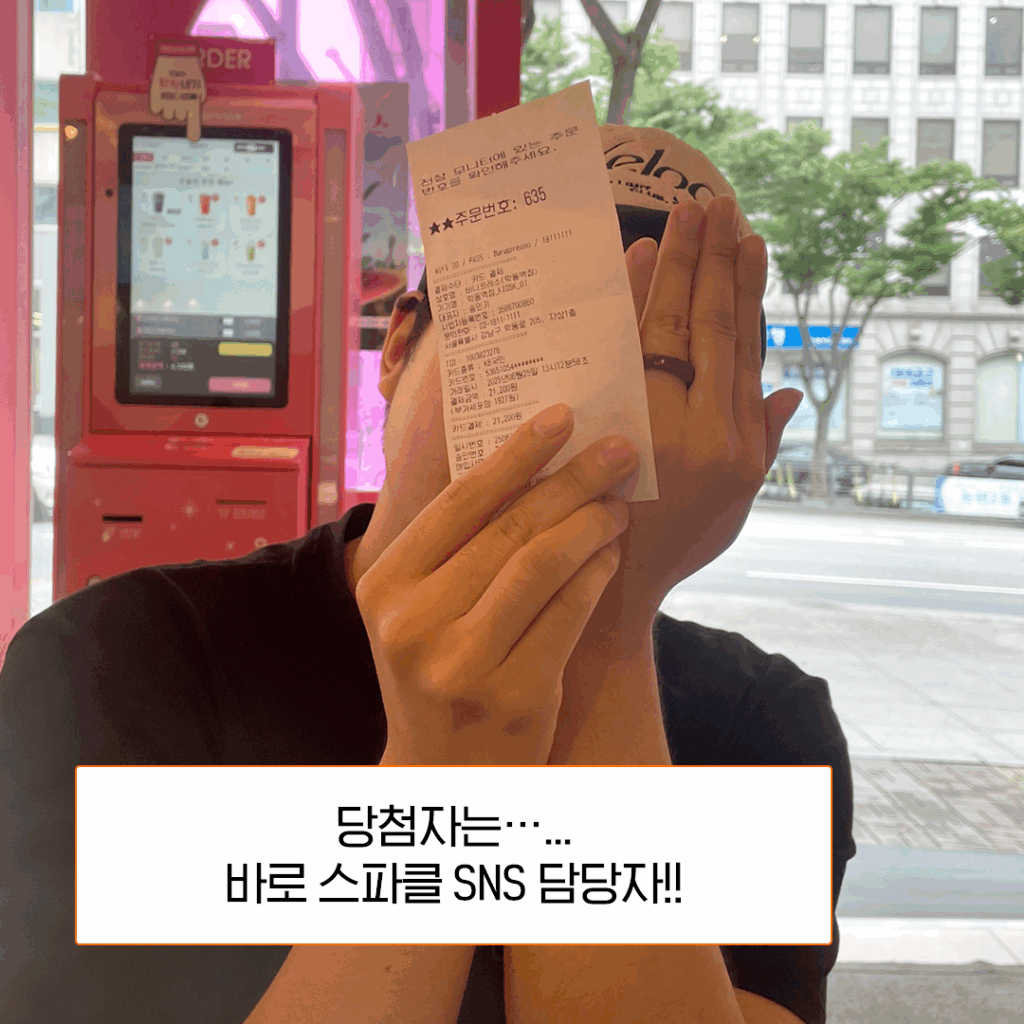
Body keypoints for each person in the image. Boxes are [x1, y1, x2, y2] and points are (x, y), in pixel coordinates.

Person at [0, 123, 856, 1024]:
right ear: (399, 346)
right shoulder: (124, 656)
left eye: (662, 377)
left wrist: (600, 628)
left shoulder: (759, 719)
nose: (593, 421)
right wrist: (442, 768)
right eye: (527, 341)